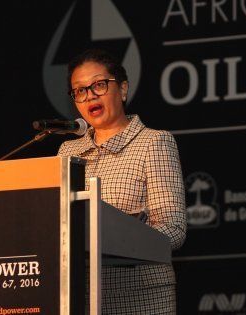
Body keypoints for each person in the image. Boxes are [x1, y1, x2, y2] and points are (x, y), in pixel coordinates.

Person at [57, 48, 186, 314]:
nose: (90, 94)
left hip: (140, 299)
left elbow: (174, 230)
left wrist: (118, 234)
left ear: (123, 89)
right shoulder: (67, 152)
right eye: (80, 90)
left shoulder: (154, 143)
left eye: (99, 85)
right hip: (78, 298)